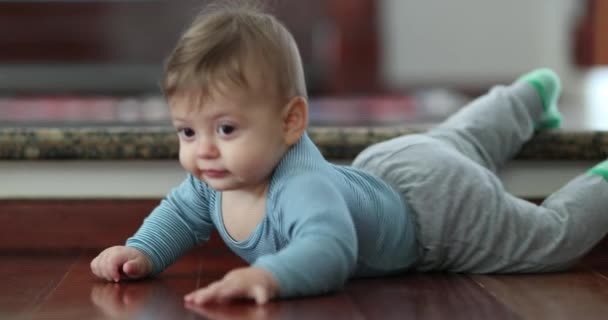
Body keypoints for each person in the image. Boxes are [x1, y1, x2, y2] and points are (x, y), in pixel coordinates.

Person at [90, 1, 608, 306]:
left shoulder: (301, 188)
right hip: (391, 167)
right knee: (456, 141)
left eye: (225, 128)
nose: (203, 150)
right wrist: (142, 251)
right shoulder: (215, 177)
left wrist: (269, 275)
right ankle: (526, 96)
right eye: (186, 132)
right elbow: (180, 214)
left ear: (291, 120)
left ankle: (599, 180)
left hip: (440, 218)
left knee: (548, 241)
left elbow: (329, 250)